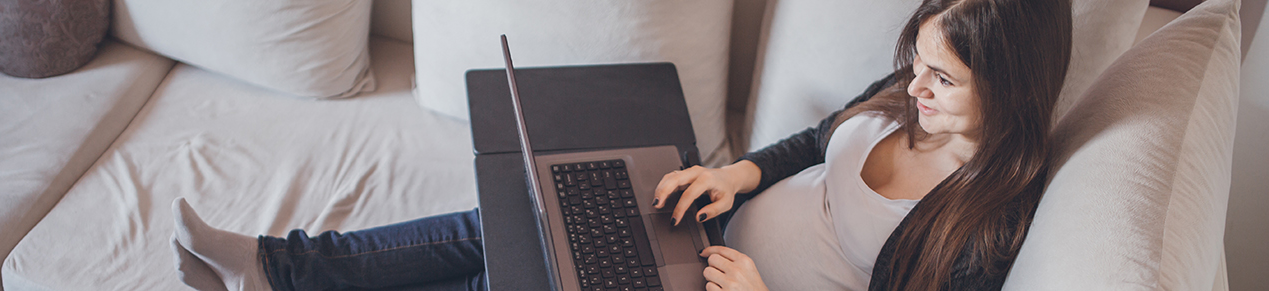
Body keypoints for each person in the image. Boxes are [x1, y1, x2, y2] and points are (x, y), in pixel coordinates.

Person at [170, 0, 1072, 290]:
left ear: (1013, 82)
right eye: (914, 62)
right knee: (514, 215)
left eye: (941, 79)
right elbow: (809, 141)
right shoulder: (902, 103)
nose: (914, 88)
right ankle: (277, 264)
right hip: (702, 231)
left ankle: (275, 273)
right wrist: (734, 172)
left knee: (515, 265)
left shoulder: (988, 226)